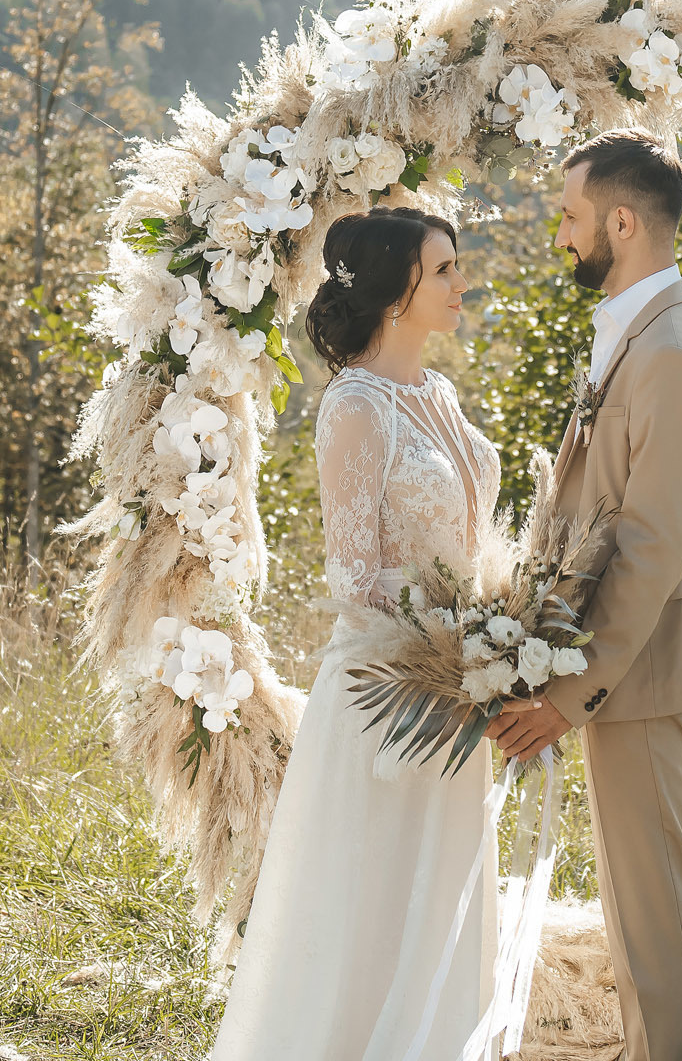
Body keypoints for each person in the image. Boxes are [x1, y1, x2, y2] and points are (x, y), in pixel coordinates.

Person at [485, 128, 682, 1061]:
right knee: (636, 913)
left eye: (570, 215)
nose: (559, 233)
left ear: (623, 222)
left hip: (639, 671)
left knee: (654, 918)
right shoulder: (638, 333)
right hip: (622, 670)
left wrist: (569, 693)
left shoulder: (671, 352)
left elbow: (651, 549)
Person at [210, 206, 502, 1060]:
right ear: (394, 289)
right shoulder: (354, 406)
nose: (461, 283)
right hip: (390, 690)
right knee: (375, 895)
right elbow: (353, 577)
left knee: (440, 890)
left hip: (458, 685)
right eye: (443, 269)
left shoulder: (438, 394)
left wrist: (497, 628)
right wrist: (457, 637)